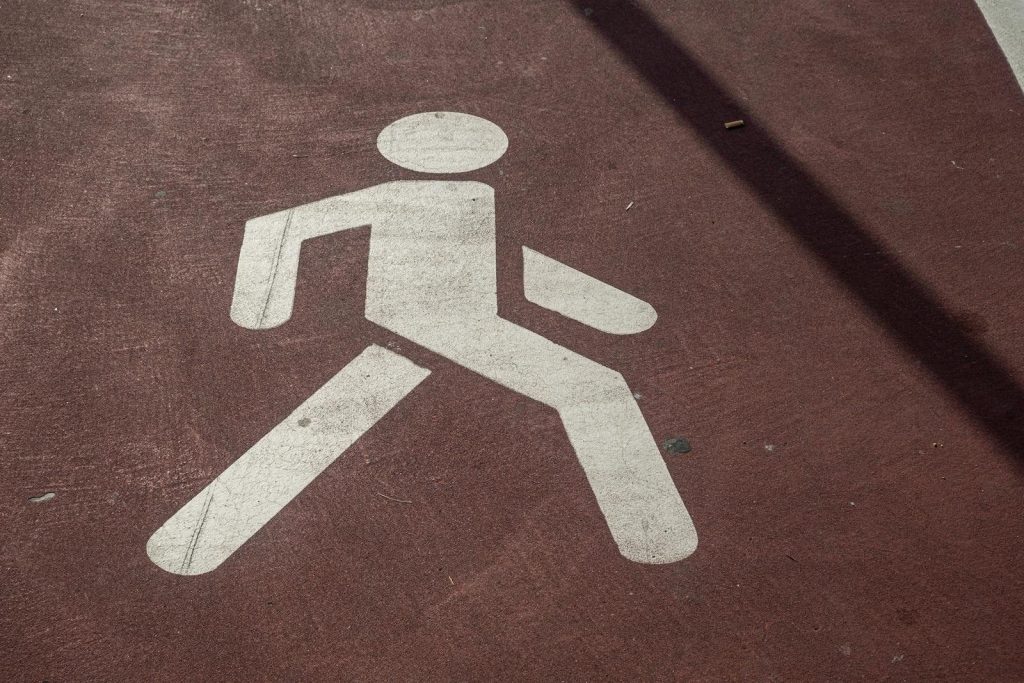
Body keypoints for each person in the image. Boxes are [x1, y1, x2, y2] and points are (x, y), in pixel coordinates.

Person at [148, 112, 697, 576]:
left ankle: (204, 535)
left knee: (326, 420)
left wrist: (605, 308)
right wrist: (261, 307)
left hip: (440, 323)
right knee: (594, 386)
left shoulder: (470, 197)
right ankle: (653, 533)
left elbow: (511, 266)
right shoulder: (395, 197)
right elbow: (284, 225)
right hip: (442, 323)